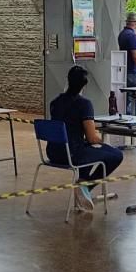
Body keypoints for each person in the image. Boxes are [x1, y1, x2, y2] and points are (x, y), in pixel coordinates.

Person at [48, 66, 124, 211]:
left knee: (88, 150)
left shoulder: (55, 102)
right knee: (115, 154)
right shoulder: (84, 104)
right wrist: (103, 142)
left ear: (68, 81)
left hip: (53, 152)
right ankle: (85, 187)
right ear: (84, 86)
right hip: (72, 153)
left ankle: (82, 186)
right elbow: (92, 138)